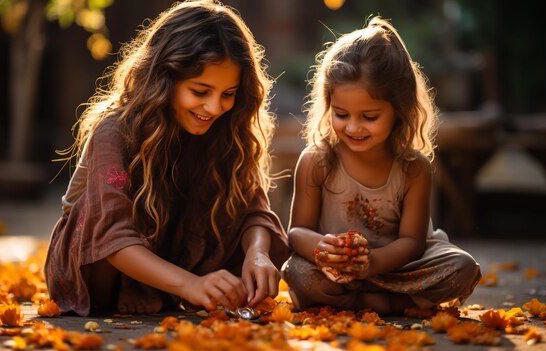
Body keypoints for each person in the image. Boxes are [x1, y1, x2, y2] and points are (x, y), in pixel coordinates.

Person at [44, 0, 289, 317]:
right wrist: (191, 286)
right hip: (96, 269)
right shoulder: (114, 132)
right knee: (103, 213)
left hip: (172, 253)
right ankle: (145, 285)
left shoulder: (226, 130)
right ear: (164, 79)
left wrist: (257, 253)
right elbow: (110, 235)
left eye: (228, 94)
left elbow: (255, 211)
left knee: (234, 207)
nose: (214, 108)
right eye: (200, 92)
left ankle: (157, 286)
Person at [282, 16, 480, 315]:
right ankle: (386, 305)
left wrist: (372, 263)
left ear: (399, 110)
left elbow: (413, 242)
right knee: (298, 272)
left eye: (369, 116)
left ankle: (371, 301)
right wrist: (325, 250)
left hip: (399, 270)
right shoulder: (317, 161)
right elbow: (297, 231)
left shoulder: (414, 168)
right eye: (341, 114)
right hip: (335, 273)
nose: (353, 127)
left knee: (461, 267)